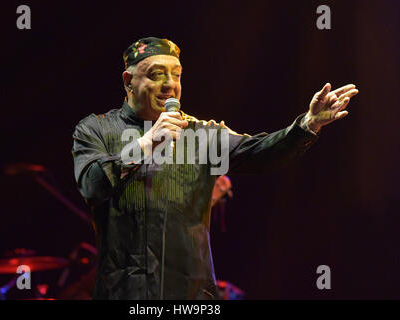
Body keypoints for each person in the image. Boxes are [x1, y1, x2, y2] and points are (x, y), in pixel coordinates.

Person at [71, 37, 358, 300]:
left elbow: (261, 153)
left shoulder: (201, 135)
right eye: (157, 74)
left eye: (177, 75)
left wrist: (308, 123)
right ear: (128, 81)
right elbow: (91, 185)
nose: (170, 84)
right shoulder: (96, 129)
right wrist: (147, 143)